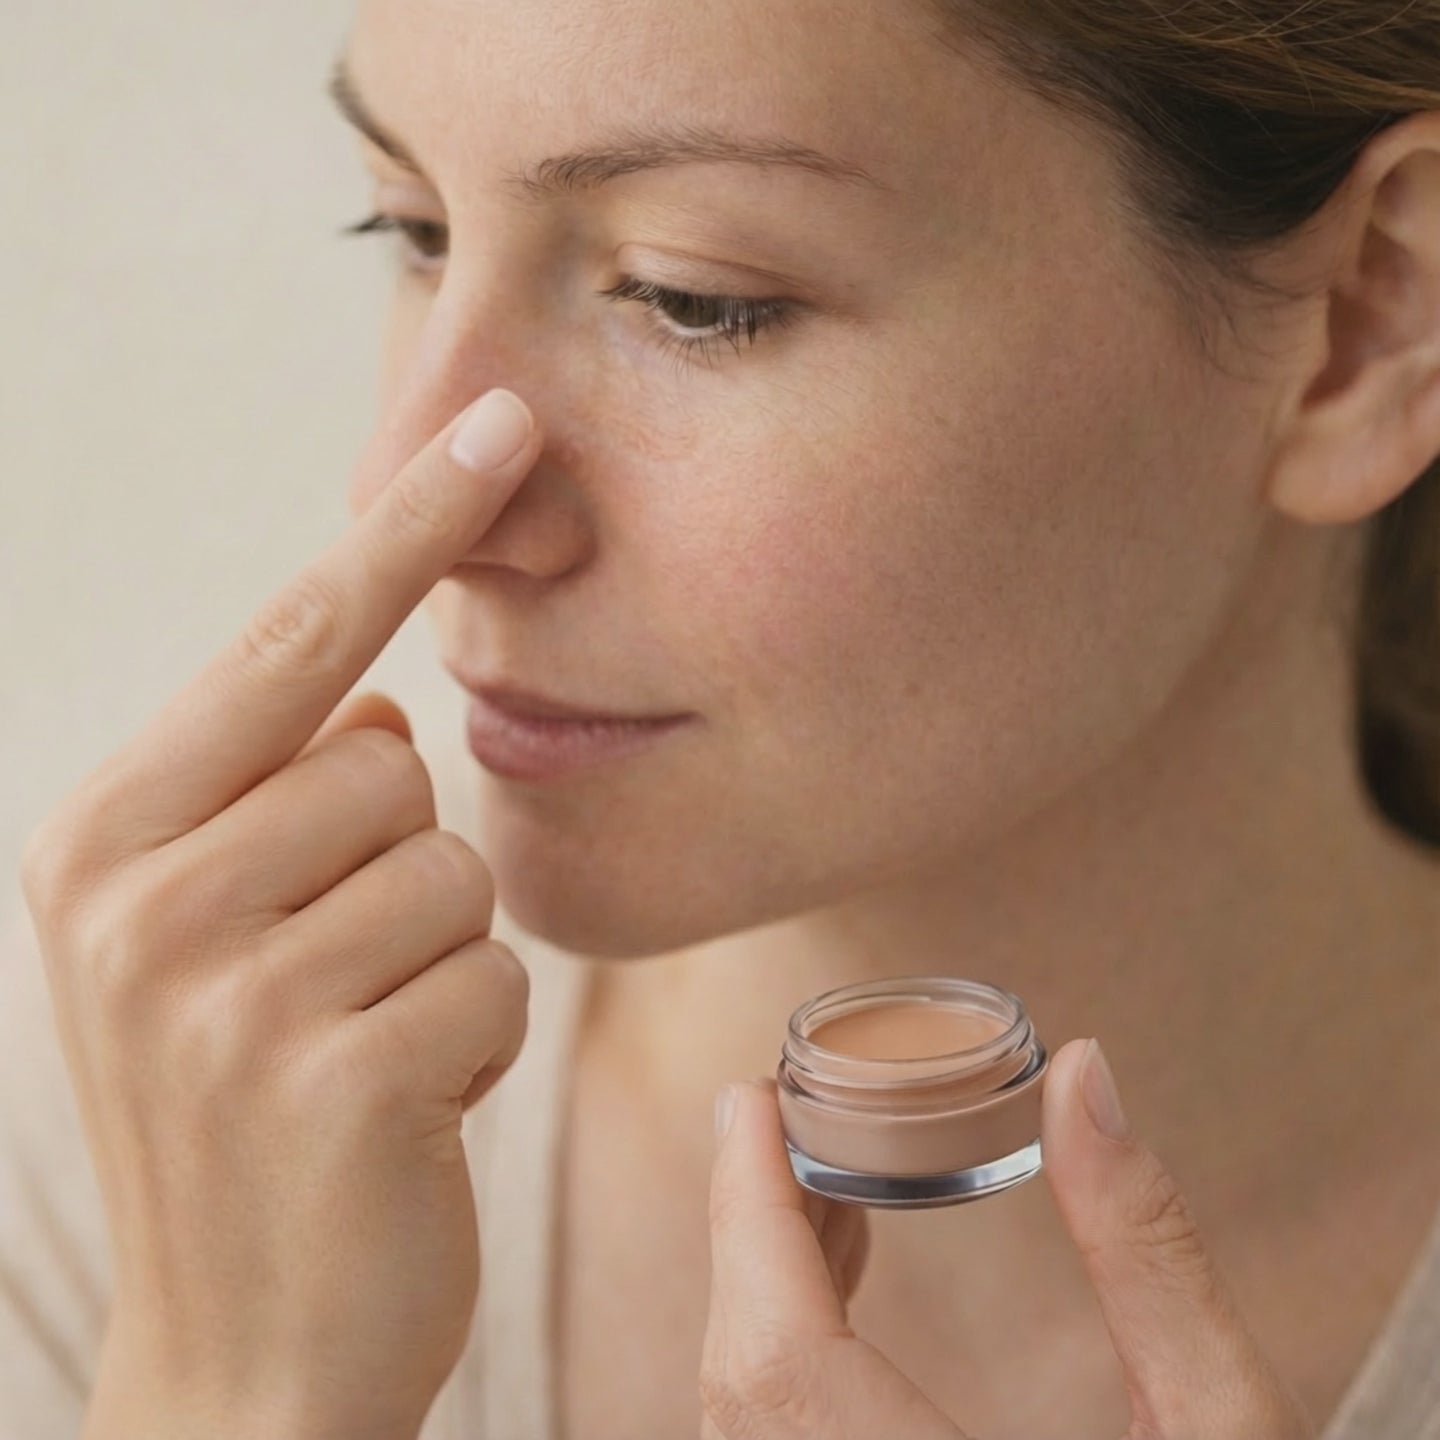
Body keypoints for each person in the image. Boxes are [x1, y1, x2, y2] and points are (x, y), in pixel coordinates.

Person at [4, 0, 1439, 1436]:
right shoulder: (143, 1127)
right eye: (415, 230)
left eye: (695, 297)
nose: (418, 494)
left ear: (1369, 324)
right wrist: (232, 1393)